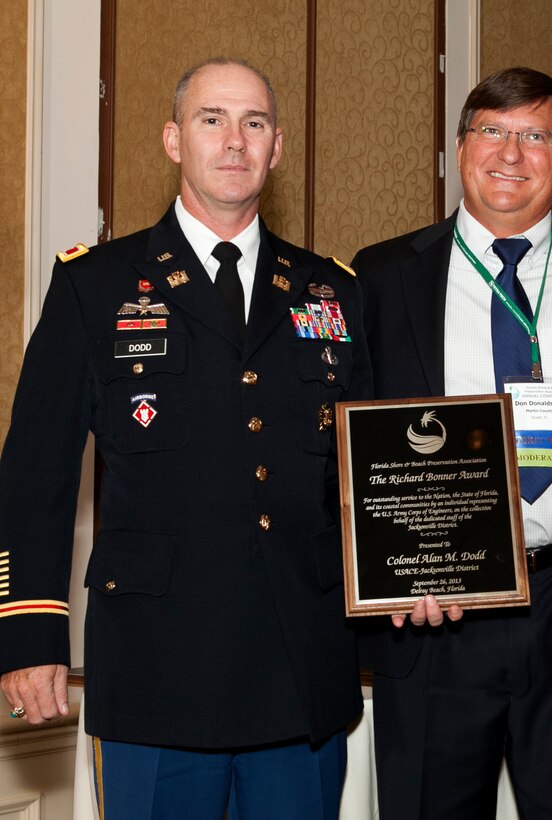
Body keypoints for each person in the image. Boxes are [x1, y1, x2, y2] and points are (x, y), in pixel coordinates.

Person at [0, 57, 371, 818]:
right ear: (174, 140)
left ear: (276, 148)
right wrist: (31, 634)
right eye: (213, 120)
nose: (235, 141)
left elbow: (369, 474)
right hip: (155, 678)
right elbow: (35, 473)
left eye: (255, 123)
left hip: (299, 675)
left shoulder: (331, 291)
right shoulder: (94, 285)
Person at [351, 67, 552, 819]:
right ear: (460, 149)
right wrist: (391, 572)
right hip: (438, 610)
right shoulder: (382, 276)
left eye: (534, 136)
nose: (511, 154)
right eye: (491, 131)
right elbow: (348, 447)